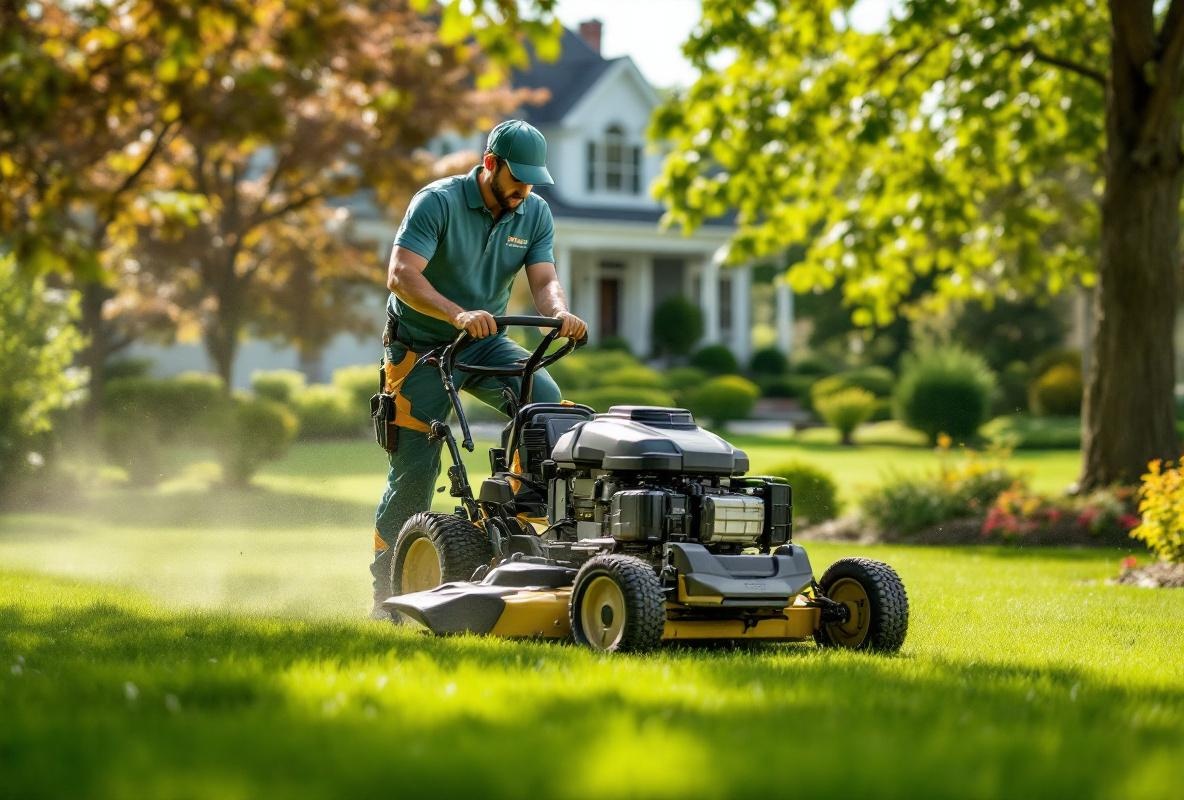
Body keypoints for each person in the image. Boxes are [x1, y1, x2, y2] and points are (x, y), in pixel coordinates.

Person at [370, 119, 587, 619]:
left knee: (544, 407)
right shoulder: (438, 201)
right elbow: (401, 275)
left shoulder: (533, 212)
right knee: (413, 472)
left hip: (487, 343)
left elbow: (546, 278)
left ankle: (515, 531)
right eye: (518, 179)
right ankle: (385, 594)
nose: (525, 190)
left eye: (534, 181)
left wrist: (558, 313)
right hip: (420, 346)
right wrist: (456, 313)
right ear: (490, 164)